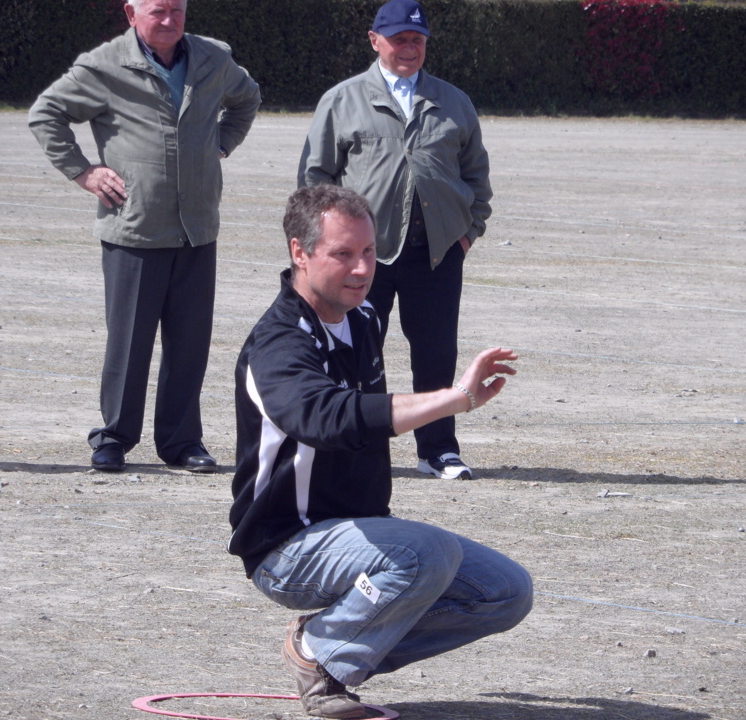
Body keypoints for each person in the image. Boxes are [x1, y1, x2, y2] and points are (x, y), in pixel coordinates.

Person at [228, 185, 532, 719]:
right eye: (342, 253)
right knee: (426, 553)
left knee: (506, 591)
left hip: (357, 531)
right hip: (285, 547)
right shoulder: (277, 344)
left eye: (368, 252)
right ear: (299, 252)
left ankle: (330, 648)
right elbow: (326, 418)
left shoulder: (363, 317)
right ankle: (322, 660)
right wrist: (453, 400)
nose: (362, 268)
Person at [29, 0, 261, 473]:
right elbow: (46, 112)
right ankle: (114, 436)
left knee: (190, 342)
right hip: (134, 227)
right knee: (129, 342)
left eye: (177, 10)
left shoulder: (214, 58)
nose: (170, 20)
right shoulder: (104, 65)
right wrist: (84, 172)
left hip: (197, 227)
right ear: (131, 13)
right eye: (158, 11)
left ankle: (181, 442)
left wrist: (222, 142)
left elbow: (247, 98)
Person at [298, 0, 492, 481]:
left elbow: (477, 178)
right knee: (356, 351)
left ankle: (438, 449)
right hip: (362, 257)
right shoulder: (341, 100)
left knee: (435, 352)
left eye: (417, 40)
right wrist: (330, 246)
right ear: (374, 39)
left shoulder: (454, 101)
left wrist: (467, 235)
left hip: (438, 252)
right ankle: (353, 444)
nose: (409, 48)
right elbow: (315, 178)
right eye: (400, 39)